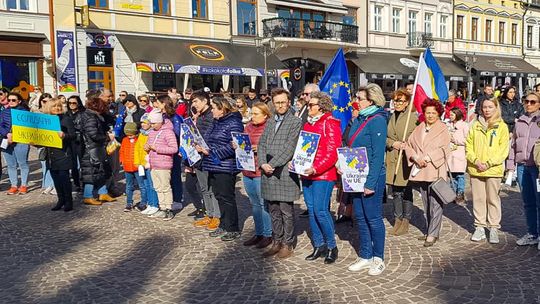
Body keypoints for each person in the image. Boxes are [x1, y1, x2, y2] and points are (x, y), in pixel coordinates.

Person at [345, 84, 388, 276]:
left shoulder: (377, 120)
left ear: (371, 101)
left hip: (372, 176)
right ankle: (365, 255)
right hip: (356, 175)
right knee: (360, 217)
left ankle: (378, 258)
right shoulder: (360, 119)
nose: (357, 101)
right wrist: (343, 163)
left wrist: (370, 183)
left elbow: (378, 155)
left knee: (373, 217)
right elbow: (352, 145)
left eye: (360, 98)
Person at [297, 91, 342, 264]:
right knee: (311, 210)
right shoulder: (308, 123)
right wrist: (298, 163)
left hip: (323, 174)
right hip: (307, 172)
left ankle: (331, 246)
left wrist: (316, 168)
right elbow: (303, 147)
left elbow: (332, 153)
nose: (308, 107)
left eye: (311, 105)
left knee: (321, 211)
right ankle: (319, 244)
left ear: (321, 106)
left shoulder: (330, 123)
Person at [258, 88, 302, 259]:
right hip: (268, 171)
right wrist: (262, 163)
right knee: (273, 209)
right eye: (277, 103)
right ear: (273, 104)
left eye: (283, 102)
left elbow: (289, 148)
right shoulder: (270, 121)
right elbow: (261, 144)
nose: (281, 105)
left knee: (286, 210)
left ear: (289, 102)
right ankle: (277, 241)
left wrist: (272, 164)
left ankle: (287, 243)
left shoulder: (295, 122)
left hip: (283, 172)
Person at [404, 99, 451, 248]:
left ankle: (433, 233)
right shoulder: (419, 128)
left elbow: (445, 149)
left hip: (435, 169)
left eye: (433, 113)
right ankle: (430, 228)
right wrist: (415, 157)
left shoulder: (443, 129)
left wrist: (429, 157)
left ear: (438, 113)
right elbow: (409, 145)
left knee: (436, 203)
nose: (430, 115)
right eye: (427, 112)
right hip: (421, 169)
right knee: (425, 201)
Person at [195, 97, 244, 240]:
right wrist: (201, 147)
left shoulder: (234, 122)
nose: (212, 110)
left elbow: (235, 145)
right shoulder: (215, 121)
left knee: (227, 197)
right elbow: (208, 139)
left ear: (222, 109)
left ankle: (232, 228)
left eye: (214, 108)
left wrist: (212, 152)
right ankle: (223, 224)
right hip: (212, 164)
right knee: (219, 196)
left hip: (226, 166)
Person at [466, 98, 509, 244]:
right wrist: (475, 160)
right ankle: (479, 226)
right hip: (476, 169)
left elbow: (503, 150)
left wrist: (489, 163)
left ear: (496, 108)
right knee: (478, 199)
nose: (487, 110)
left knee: (493, 199)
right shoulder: (475, 125)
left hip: (493, 170)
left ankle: (494, 227)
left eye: (490, 107)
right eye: (484, 107)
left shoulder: (502, 127)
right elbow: (468, 146)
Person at [507, 92, 540, 247]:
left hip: (537, 168)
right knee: (528, 202)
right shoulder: (520, 121)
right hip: (522, 167)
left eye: (533, 102)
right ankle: (532, 233)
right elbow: (513, 145)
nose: (529, 104)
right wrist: (510, 167)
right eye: (526, 101)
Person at [241, 102, 273, 248]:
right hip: (247, 169)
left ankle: (268, 234)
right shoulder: (248, 127)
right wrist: (237, 144)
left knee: (263, 203)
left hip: (260, 171)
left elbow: (273, 148)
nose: (252, 116)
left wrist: (259, 148)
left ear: (265, 115)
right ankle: (258, 233)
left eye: (255, 114)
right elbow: (242, 141)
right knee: (254, 204)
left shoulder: (269, 128)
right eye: (251, 113)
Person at [386, 88, 417, 236]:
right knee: (396, 191)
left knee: (406, 190)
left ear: (407, 103)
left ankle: (406, 220)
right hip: (393, 157)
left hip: (405, 158)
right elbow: (385, 137)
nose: (397, 103)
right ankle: (397, 218)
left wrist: (407, 144)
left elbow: (417, 137)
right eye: (395, 100)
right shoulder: (391, 116)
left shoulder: (412, 117)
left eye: (400, 101)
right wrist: (393, 143)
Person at [192, 92, 221, 229]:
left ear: (205, 101)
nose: (194, 104)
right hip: (198, 157)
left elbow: (212, 136)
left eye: (196, 101)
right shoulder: (200, 116)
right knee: (204, 188)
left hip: (208, 156)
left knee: (213, 188)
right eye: (193, 102)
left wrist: (203, 147)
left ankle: (216, 216)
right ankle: (209, 214)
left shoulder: (211, 116)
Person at [79, 95, 115, 205]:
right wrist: (107, 137)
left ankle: (103, 192)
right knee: (91, 172)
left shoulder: (90, 115)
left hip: (95, 147)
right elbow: (93, 134)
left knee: (100, 170)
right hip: (92, 148)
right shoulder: (91, 117)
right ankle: (88, 195)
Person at [42, 98, 76, 212]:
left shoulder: (66, 119)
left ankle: (68, 201)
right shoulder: (46, 121)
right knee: (55, 178)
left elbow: (73, 135)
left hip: (63, 153)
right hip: (50, 154)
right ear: (49, 108)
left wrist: (64, 135)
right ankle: (60, 200)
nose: (57, 108)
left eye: (59, 106)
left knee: (64, 178)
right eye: (54, 106)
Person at [145, 110, 178, 220]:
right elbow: (149, 146)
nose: (152, 125)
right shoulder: (152, 132)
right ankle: (162, 207)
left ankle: (169, 209)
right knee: (157, 187)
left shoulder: (168, 132)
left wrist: (157, 148)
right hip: (154, 164)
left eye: (154, 123)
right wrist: (147, 148)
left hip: (164, 165)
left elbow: (174, 148)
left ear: (160, 122)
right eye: (151, 123)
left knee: (165, 187)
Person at [153, 95, 184, 210]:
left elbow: (176, 135)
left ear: (163, 103)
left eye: (157, 103)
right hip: (164, 151)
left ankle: (177, 198)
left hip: (174, 151)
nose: (155, 105)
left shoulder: (175, 118)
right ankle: (168, 199)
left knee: (175, 175)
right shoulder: (163, 116)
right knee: (167, 177)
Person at [0, 92, 31, 195]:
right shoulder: (4, 112)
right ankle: (13, 185)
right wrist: (7, 134)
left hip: (21, 141)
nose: (11, 102)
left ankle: (23, 185)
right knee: (11, 165)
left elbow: (29, 127)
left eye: (13, 100)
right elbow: (1, 125)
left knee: (22, 163)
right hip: (7, 141)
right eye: (9, 100)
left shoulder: (25, 112)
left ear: (19, 101)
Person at [134, 113, 160, 216]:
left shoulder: (152, 134)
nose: (143, 125)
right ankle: (150, 203)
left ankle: (155, 204)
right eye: (142, 123)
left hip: (149, 163)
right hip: (142, 163)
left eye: (145, 123)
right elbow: (137, 149)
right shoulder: (141, 134)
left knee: (152, 184)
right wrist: (137, 162)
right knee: (146, 184)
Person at [120, 122, 147, 212]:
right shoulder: (124, 140)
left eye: (131, 135)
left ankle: (144, 202)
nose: (130, 136)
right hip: (127, 167)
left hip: (137, 166)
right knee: (129, 186)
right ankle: (129, 203)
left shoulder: (139, 139)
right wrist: (122, 161)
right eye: (128, 135)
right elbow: (122, 151)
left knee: (142, 185)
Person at [447, 107, 469, 205]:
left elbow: (468, 140)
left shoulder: (464, 126)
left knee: (460, 175)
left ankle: (460, 193)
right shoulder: (448, 125)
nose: (450, 116)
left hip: (459, 153)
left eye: (452, 114)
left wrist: (455, 140)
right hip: (450, 154)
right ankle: (453, 193)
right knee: (452, 175)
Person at [66, 95, 85, 191]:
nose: (72, 105)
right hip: (70, 141)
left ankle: (86, 183)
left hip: (80, 140)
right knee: (73, 164)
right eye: (70, 103)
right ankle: (77, 183)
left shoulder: (83, 113)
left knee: (83, 163)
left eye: (74, 103)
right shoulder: (67, 114)